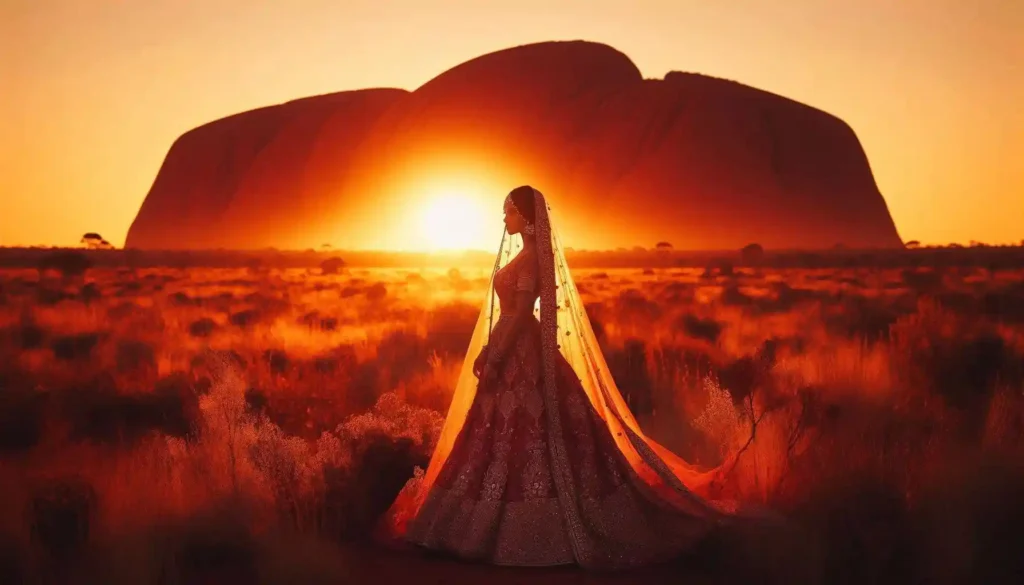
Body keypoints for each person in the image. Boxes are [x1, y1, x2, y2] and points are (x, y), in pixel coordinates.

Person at [378, 186, 735, 570]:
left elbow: (516, 316)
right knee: (498, 435)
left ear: (528, 218)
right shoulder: (526, 257)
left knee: (529, 433)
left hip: (520, 353)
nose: (504, 220)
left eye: (509, 212)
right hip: (514, 349)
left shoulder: (532, 260)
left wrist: (494, 354)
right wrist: (493, 351)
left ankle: (531, 528)